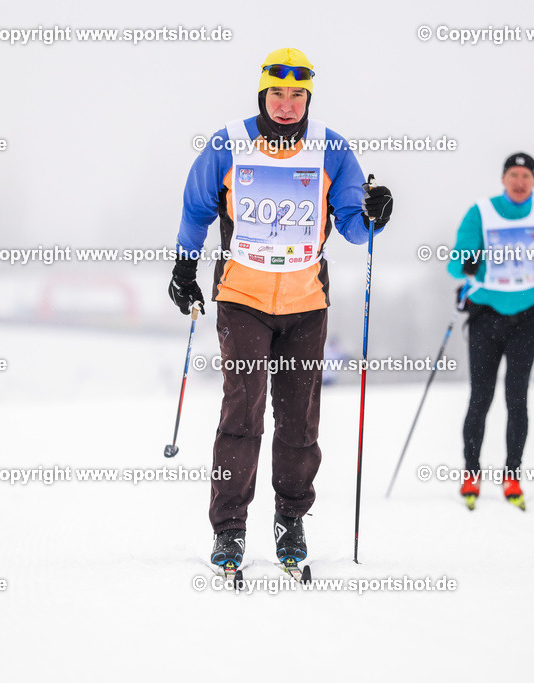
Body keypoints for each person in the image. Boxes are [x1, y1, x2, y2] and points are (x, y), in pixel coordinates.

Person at [169, 48, 393, 569]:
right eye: (277, 93)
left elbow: (356, 230)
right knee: (242, 415)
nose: (287, 105)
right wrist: (184, 269)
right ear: (262, 93)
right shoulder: (228, 143)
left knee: (298, 422)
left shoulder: (332, 150)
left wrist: (375, 213)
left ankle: (290, 521)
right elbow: (196, 208)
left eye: (297, 95)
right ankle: (230, 528)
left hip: (306, 303)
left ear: (308, 97)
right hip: (243, 299)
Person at [447, 152, 534, 510]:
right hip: (486, 313)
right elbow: (455, 262)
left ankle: (512, 475)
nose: (520, 182)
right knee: (481, 396)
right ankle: (471, 472)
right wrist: (467, 261)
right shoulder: (481, 213)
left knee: (516, 396)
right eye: (513, 175)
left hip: (527, 316)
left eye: (526, 176)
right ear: (503, 179)